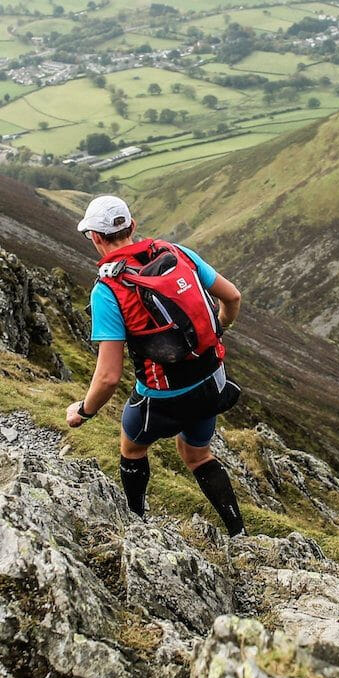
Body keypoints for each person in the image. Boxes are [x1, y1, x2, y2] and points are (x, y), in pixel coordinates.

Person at [65, 194, 247, 535]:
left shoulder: (107, 289)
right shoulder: (177, 252)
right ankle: (239, 534)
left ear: (96, 237)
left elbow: (107, 377)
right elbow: (232, 296)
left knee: (131, 448)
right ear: (132, 227)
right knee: (197, 455)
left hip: (162, 398)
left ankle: (136, 522)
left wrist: (83, 412)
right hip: (212, 380)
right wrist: (220, 327)